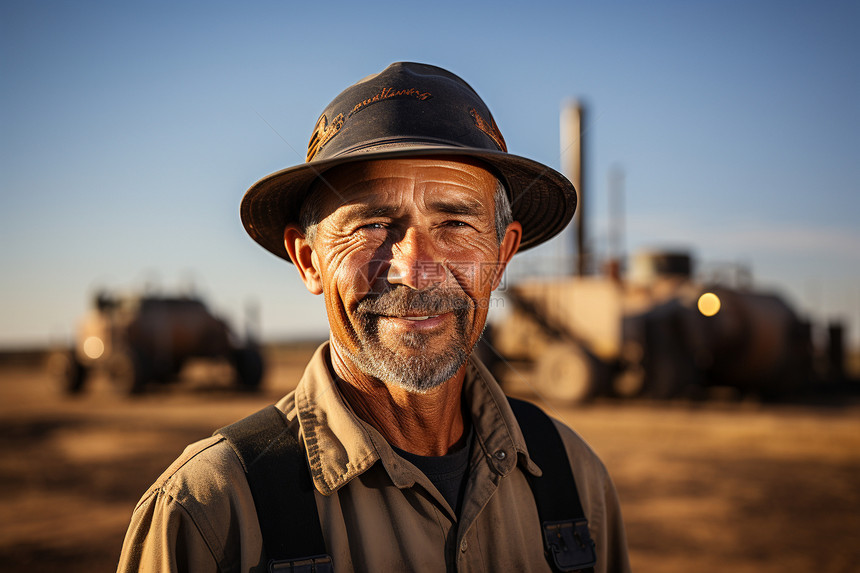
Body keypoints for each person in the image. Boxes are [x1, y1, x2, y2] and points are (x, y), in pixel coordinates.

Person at [118, 62, 630, 572]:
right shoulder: (211, 510)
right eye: (372, 223)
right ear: (309, 259)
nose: (415, 270)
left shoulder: (574, 480)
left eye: (454, 222)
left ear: (500, 255)